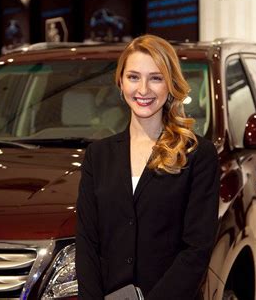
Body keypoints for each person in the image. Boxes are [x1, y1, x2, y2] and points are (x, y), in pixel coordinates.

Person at [75, 34, 220, 299]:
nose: (143, 90)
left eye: (156, 77)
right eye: (133, 77)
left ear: (171, 85)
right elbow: (87, 243)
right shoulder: (98, 155)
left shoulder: (198, 155)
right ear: (120, 82)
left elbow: (197, 249)